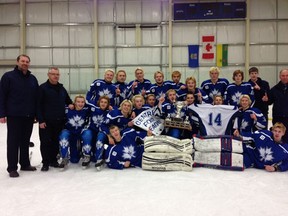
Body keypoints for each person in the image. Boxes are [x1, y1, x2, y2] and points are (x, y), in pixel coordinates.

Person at [0, 54, 39, 178]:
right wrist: (2, 113)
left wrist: (36, 114)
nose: (25, 63)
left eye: (27, 61)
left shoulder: (32, 79)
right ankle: (12, 168)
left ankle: (25, 164)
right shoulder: (8, 77)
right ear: (17, 62)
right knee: (13, 142)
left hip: (29, 116)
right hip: (14, 115)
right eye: (22, 61)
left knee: (25, 141)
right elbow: (2, 96)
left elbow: (36, 98)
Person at [37, 67, 73, 171]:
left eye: (57, 74)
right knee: (45, 142)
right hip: (46, 122)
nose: (55, 76)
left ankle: (53, 160)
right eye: (53, 74)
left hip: (59, 121)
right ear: (48, 75)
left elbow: (68, 100)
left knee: (55, 142)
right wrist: (41, 120)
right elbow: (38, 105)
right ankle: (45, 162)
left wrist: (71, 104)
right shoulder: (42, 88)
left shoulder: (61, 88)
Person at [94, 99, 134, 169]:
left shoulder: (129, 116)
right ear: (121, 106)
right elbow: (103, 125)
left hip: (117, 136)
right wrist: (109, 136)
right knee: (100, 137)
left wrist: (129, 124)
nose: (126, 107)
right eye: (125, 105)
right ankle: (99, 159)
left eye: (128, 106)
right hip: (107, 133)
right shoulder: (114, 113)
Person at [58, 95, 92, 169]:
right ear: (74, 102)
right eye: (78, 102)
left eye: (82, 102)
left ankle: (87, 155)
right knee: (63, 135)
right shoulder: (67, 109)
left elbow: (95, 106)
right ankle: (64, 157)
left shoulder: (86, 109)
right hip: (69, 131)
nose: (80, 104)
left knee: (88, 134)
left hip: (81, 131)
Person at [268, 69, 288, 143]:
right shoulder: (274, 89)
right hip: (278, 118)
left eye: (287, 76)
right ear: (280, 76)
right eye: (283, 76)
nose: (285, 77)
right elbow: (269, 102)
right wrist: (266, 100)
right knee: (277, 139)